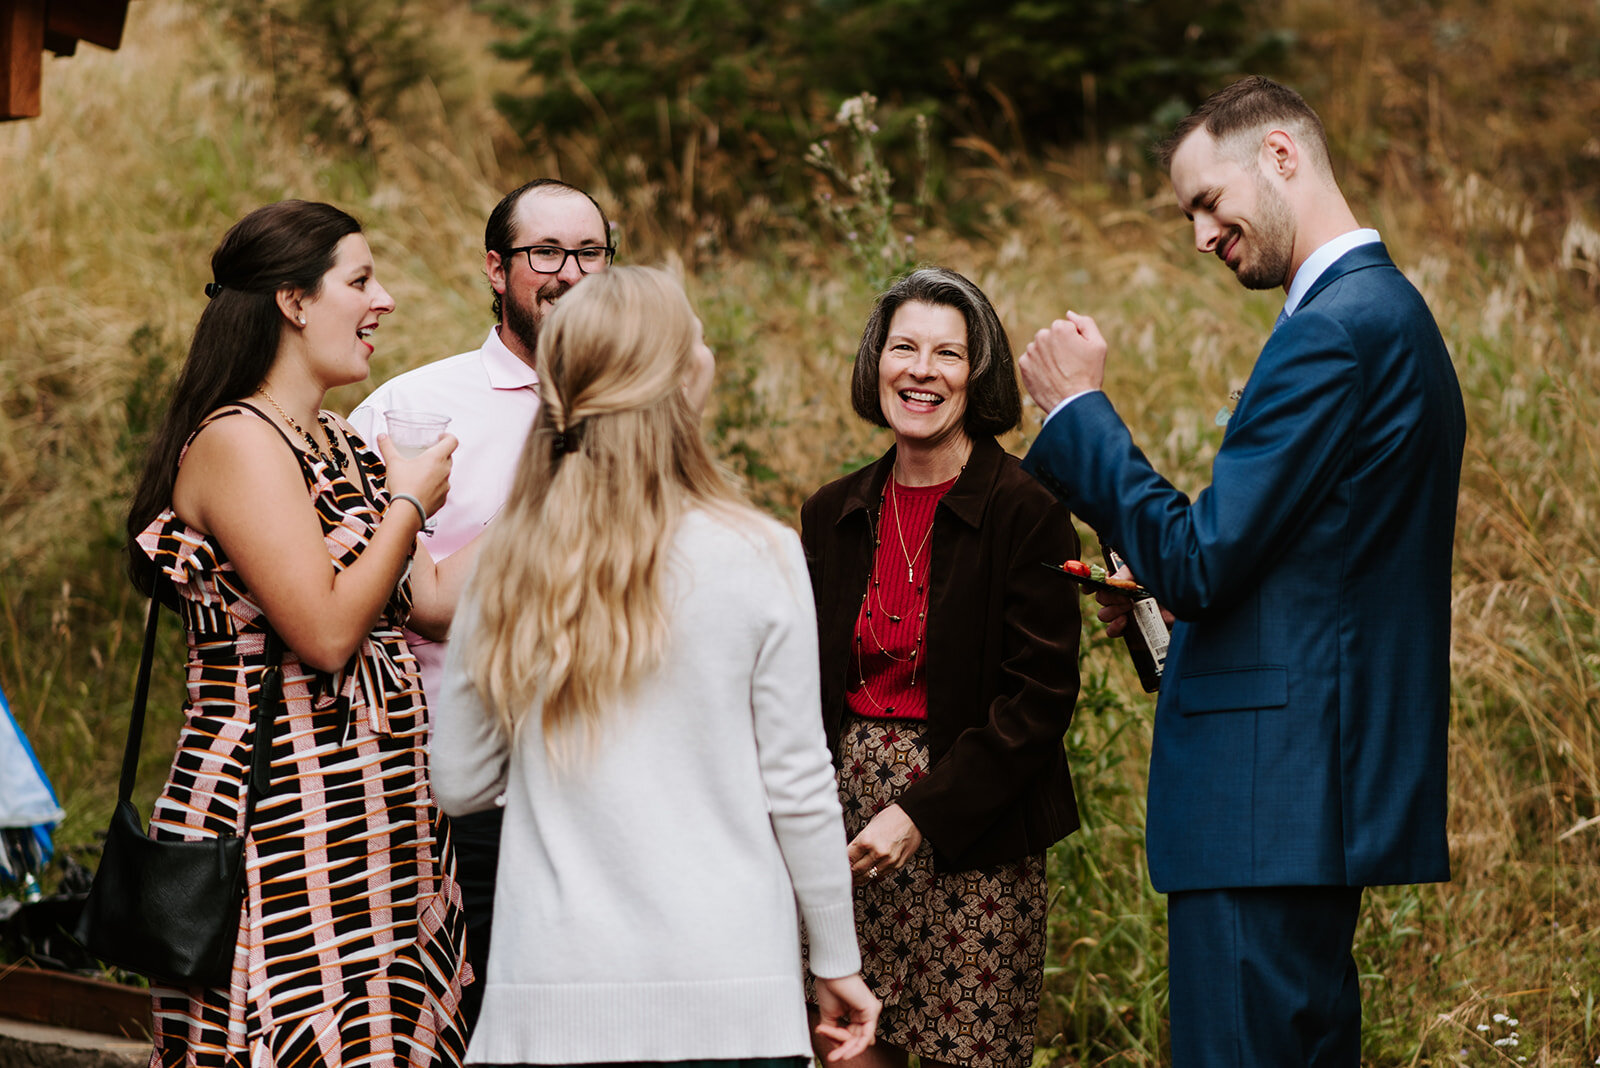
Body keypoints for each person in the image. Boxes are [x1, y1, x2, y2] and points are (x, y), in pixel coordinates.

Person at [1017, 76, 1466, 1066]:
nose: (1199, 236)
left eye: (1204, 203)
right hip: (1306, 795)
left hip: (1268, 799)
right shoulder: (1386, 319)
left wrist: (1075, 413)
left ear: (1277, 155)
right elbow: (1308, 567)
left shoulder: (1334, 331)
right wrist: (1170, 602)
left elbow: (1206, 561)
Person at [429, 265, 880, 1066]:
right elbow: (799, 784)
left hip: (551, 998)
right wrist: (835, 959)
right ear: (678, 378)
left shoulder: (507, 564)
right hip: (733, 994)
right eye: (695, 337)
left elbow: (460, 781)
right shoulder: (758, 552)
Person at [126, 200, 475, 1067]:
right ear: (292, 301)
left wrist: (569, 487)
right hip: (280, 820)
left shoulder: (340, 442)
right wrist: (407, 503)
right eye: (360, 281)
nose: (385, 300)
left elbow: (425, 598)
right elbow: (323, 632)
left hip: (380, 816)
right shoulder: (238, 442)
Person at [800, 267, 1082, 1068]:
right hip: (847, 829)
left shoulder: (1025, 507)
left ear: (978, 374)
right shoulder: (831, 511)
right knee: (852, 1053)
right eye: (903, 348)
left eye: (948, 354)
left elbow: (1040, 699)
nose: (921, 370)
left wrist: (920, 812)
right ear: (875, 364)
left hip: (977, 836)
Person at [348, 178, 613, 1030]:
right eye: (546, 253)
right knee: (477, 1024)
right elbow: (403, 602)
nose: (570, 273)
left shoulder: (649, 405)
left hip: (616, 782)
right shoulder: (411, 411)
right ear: (498, 269)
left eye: (590, 253)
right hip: (466, 789)